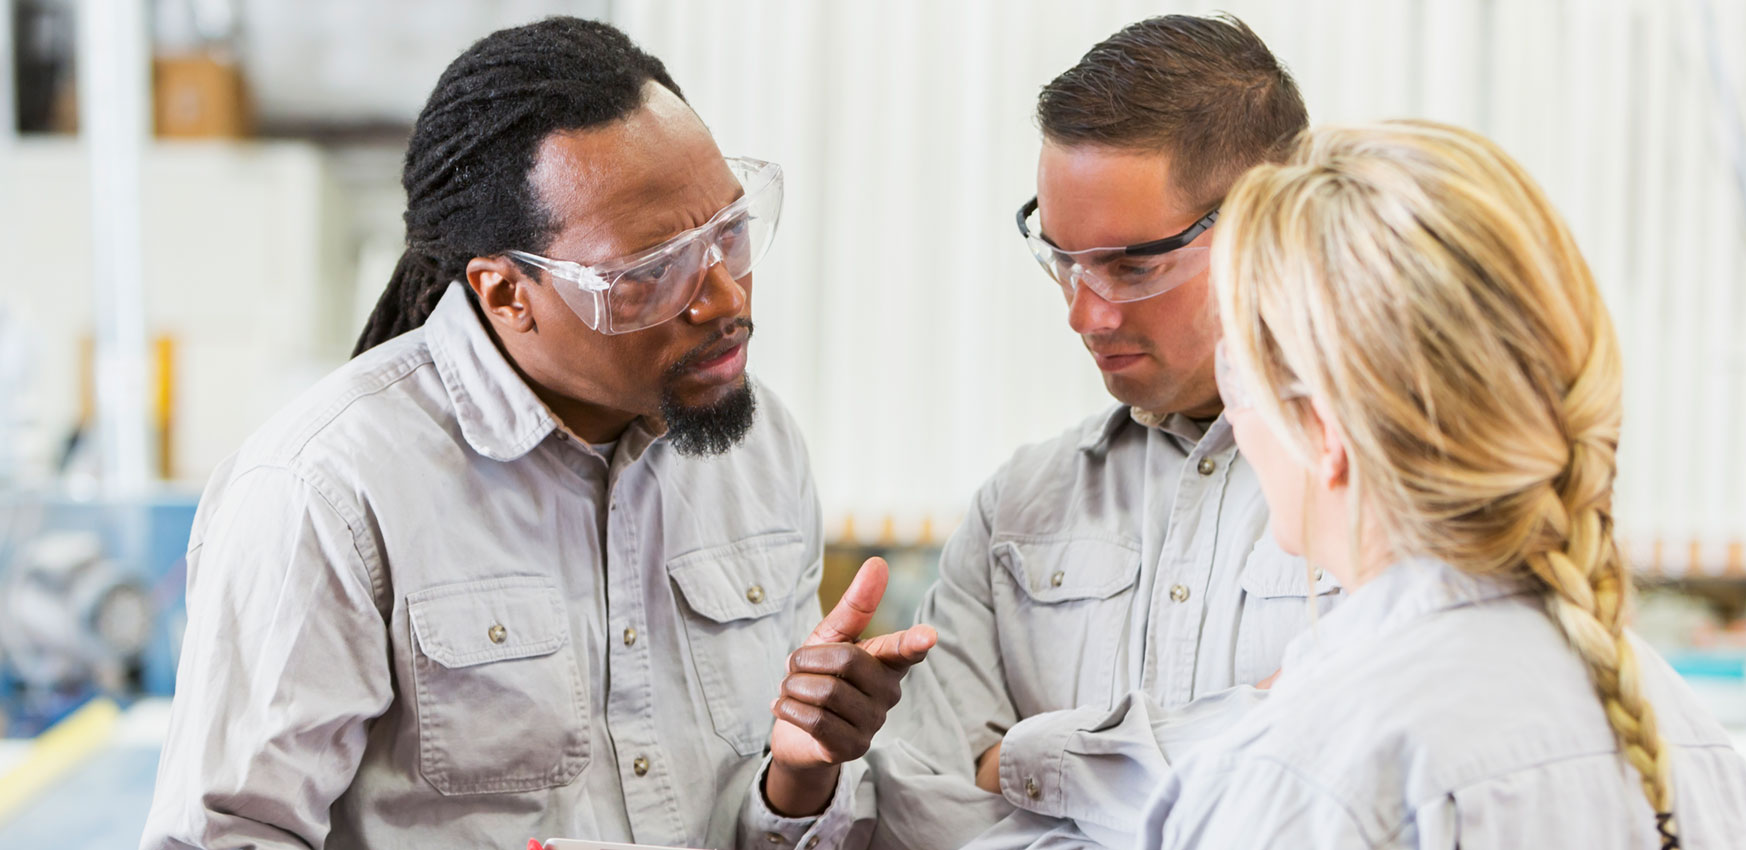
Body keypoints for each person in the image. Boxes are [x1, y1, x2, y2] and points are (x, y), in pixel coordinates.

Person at [141, 18, 933, 850]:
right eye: (653, 272)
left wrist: (800, 779)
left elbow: (740, 814)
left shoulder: (756, 447)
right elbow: (224, 836)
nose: (725, 299)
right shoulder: (326, 494)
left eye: (728, 234)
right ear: (506, 294)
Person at [1140, 120, 1746, 849]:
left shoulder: (1294, 783)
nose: (1236, 418)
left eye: (1240, 375)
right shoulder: (1694, 750)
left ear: (1323, 427)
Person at [780, 14, 1332, 850]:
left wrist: (1027, 762)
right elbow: (918, 811)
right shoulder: (1018, 508)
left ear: (1269, 226)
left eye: (1131, 266)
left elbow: (1346, 788)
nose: (1083, 312)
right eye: (1063, 259)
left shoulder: (1392, 490)